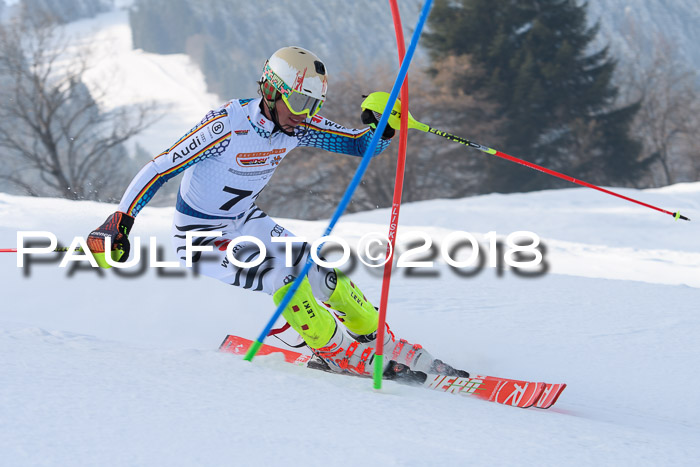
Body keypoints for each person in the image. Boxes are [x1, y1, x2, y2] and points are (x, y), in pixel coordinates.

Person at [86, 46, 466, 378]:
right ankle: (334, 352)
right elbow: (162, 167)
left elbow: (357, 146)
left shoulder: (297, 126)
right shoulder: (226, 125)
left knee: (321, 270)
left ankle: (379, 339)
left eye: (313, 105)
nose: (304, 114)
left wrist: (381, 128)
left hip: (246, 220)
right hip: (200, 238)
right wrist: (120, 220)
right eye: (299, 103)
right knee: (283, 276)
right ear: (271, 91)